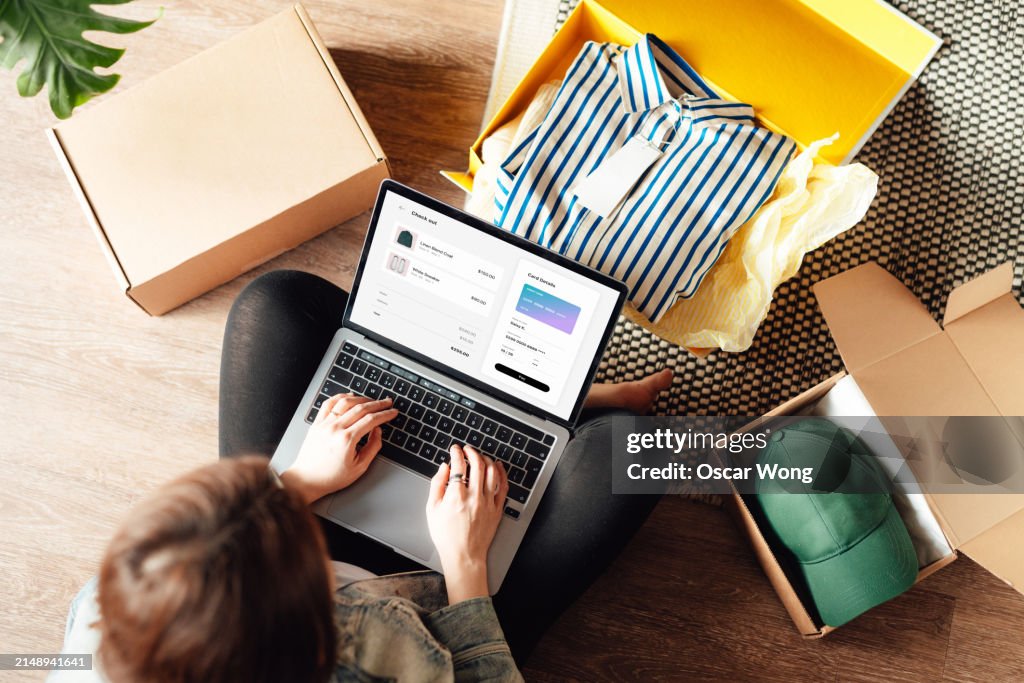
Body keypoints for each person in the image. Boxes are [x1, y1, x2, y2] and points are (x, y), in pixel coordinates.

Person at [54, 271, 672, 682]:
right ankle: (561, 411)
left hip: (306, 563)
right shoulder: (363, 661)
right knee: (633, 451)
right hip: (440, 615)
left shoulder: (106, 620)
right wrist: (466, 565)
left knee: (275, 304)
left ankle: (535, 405)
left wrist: (299, 481)